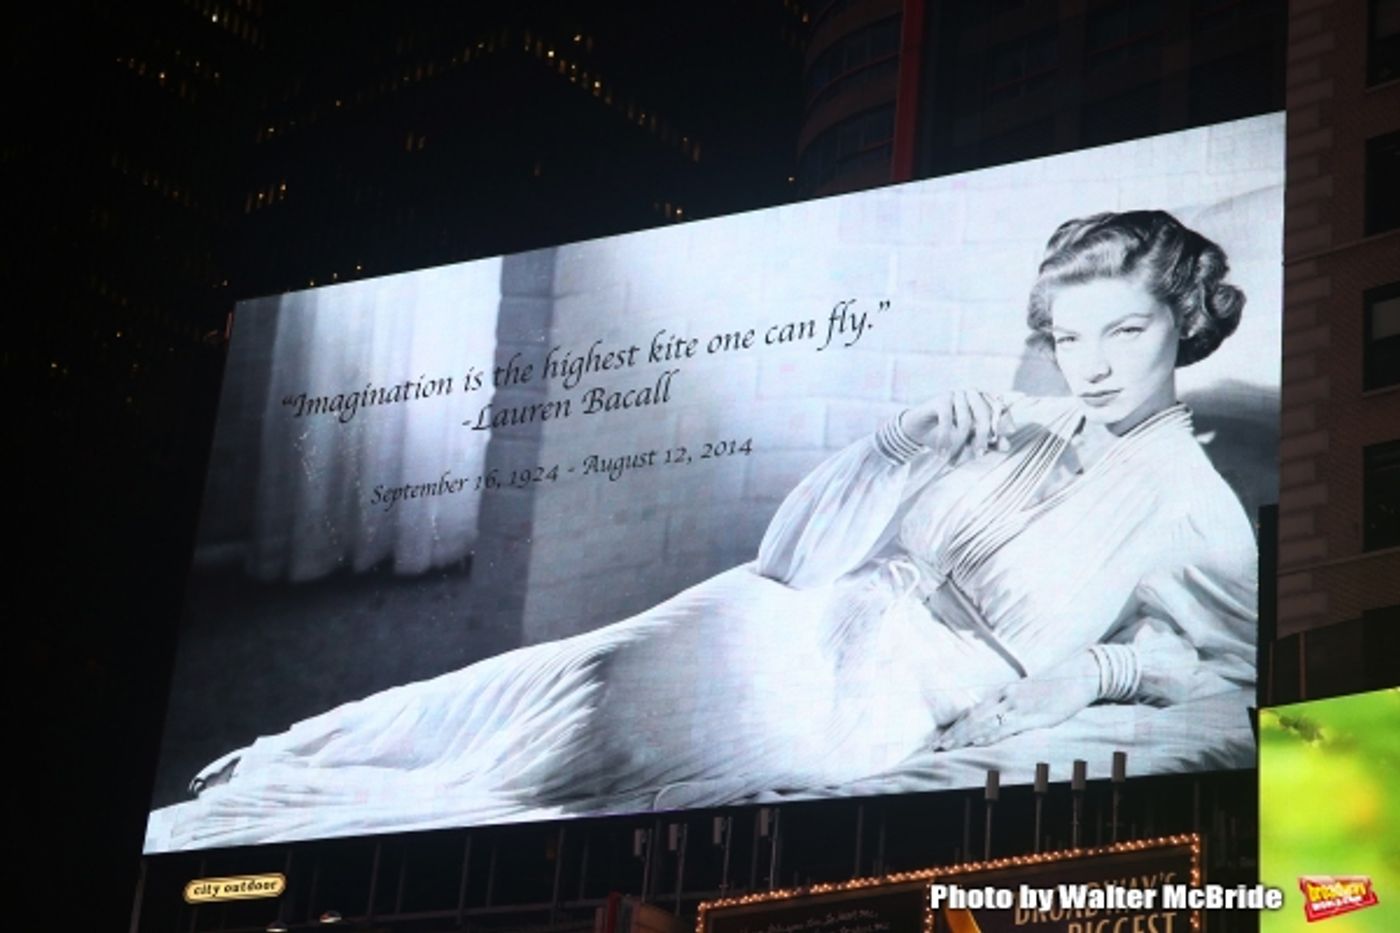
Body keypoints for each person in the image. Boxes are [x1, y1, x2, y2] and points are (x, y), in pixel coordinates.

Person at [149, 210, 1257, 850]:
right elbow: (789, 561)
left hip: (869, 700)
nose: (1092, 365)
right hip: (771, 612)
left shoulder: (1194, 510)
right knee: (521, 690)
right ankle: (269, 782)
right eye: (1069, 337)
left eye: (1124, 331)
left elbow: (1238, 677)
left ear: (1182, 324)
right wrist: (897, 442)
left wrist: (1101, 670)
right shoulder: (1006, 420)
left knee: (528, 782)